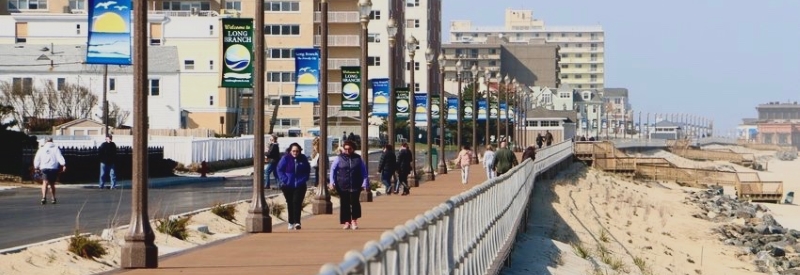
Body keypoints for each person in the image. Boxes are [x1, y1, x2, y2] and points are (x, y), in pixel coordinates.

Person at [329, 140, 369, 230]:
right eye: (345, 149)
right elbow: (333, 170)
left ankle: (354, 220)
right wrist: (332, 182)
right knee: (344, 203)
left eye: (349, 149)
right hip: (342, 184)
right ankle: (347, 221)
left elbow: (364, 172)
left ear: (353, 149)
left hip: (355, 184)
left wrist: (365, 183)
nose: (347, 151)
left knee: (355, 203)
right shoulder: (339, 158)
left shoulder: (358, 158)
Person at [276, 142, 311, 230]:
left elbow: (307, 170)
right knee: (290, 203)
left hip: (300, 185)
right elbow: (279, 169)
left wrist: (304, 179)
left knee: (297, 202)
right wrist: (285, 180)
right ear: (290, 151)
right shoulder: (285, 158)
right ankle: (291, 221)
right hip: (288, 185)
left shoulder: (303, 158)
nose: (295, 153)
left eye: (297, 151)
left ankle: (297, 222)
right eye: (293, 151)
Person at [33, 138, 66, 204]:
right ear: (52, 141)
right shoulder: (56, 149)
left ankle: (43, 197)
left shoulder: (41, 149)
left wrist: (36, 167)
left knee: (44, 182)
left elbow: (37, 158)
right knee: (52, 184)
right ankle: (53, 198)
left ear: (46, 142)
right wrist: (63, 164)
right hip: (53, 168)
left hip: (44, 167)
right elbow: (59, 157)